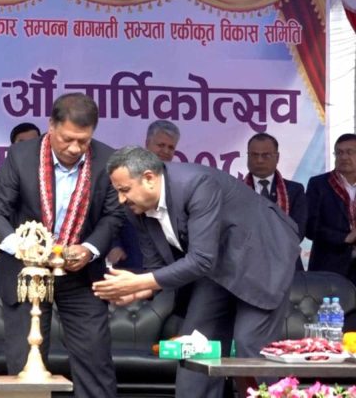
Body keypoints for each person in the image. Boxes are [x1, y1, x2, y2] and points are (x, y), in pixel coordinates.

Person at [93, 146, 300, 398]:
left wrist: (139, 282)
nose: (121, 199)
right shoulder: (136, 208)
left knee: (249, 345)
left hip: (261, 255)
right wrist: (140, 291)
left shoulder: (196, 184)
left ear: (149, 178)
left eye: (124, 190)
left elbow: (201, 259)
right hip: (215, 266)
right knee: (196, 344)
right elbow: (156, 268)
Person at [0, 93, 125, 398]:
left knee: (95, 362)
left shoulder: (108, 160)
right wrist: (21, 247)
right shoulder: (21, 156)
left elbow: (114, 216)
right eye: (67, 139)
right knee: (25, 366)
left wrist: (90, 249)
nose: (74, 148)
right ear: (51, 126)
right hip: (27, 272)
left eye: (83, 141)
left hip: (80, 274)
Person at [108, 120, 181, 268]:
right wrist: (114, 245)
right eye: (161, 145)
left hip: (168, 264)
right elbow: (110, 213)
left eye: (171, 147)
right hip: (132, 258)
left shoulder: (177, 180)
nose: (166, 151)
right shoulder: (125, 173)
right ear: (147, 143)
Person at [306, 133, 356, 285]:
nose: (344, 157)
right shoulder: (319, 184)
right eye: (339, 152)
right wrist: (345, 238)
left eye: (350, 152)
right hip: (329, 267)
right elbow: (310, 227)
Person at [245, 133, 307, 242]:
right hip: (245, 252)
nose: (259, 160)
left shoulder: (294, 190)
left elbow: (298, 232)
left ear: (277, 158)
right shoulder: (235, 189)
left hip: (284, 251)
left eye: (266, 155)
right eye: (254, 155)